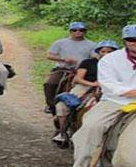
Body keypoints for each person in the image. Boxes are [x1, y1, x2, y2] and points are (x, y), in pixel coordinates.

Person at [72, 24, 136, 167]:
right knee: (91, 127)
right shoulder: (110, 60)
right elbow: (109, 84)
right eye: (132, 39)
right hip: (117, 101)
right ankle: (84, 163)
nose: (135, 42)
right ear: (124, 40)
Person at [52, 40, 118, 144]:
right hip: (86, 86)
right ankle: (62, 132)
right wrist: (94, 84)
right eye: (103, 51)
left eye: (109, 52)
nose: (106, 54)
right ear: (98, 52)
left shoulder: (118, 65)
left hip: (111, 88)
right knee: (63, 105)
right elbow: (78, 79)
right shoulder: (88, 63)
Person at [44, 22, 97, 115]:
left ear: (85, 32)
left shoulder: (92, 45)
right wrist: (63, 59)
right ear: (70, 31)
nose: (78, 32)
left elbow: (96, 57)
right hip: (63, 69)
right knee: (50, 83)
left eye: (81, 30)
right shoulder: (60, 43)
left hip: (82, 71)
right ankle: (50, 104)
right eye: (75, 30)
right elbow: (49, 55)